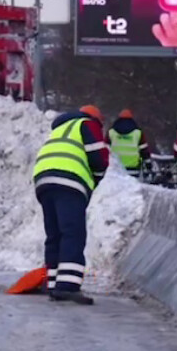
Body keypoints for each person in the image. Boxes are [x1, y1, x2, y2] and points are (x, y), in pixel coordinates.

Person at [32, 104, 110, 305]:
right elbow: (99, 158)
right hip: (69, 179)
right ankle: (67, 286)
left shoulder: (60, 129)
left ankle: (53, 283)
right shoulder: (87, 124)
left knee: (55, 234)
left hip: (43, 180)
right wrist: (96, 179)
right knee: (72, 232)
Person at [106, 109, 152, 179]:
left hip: (116, 168)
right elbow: (144, 151)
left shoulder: (111, 132)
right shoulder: (138, 133)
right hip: (133, 168)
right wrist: (148, 165)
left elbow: (105, 149)